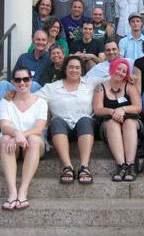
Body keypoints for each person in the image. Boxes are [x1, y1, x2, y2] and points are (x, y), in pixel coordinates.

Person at [36, 56, 102, 185]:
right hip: (60, 127)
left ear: (82, 70)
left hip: (84, 127)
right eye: (71, 67)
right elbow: (32, 98)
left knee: (85, 119)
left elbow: (112, 78)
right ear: (65, 69)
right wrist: (14, 94)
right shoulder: (52, 87)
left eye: (77, 67)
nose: (74, 70)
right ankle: (68, 167)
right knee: (56, 121)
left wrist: (129, 76)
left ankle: (84, 167)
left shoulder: (90, 82)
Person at [0, 66, 48, 210]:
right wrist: (16, 134)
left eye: (26, 79)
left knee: (33, 139)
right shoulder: (6, 101)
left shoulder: (41, 102)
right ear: (13, 82)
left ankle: (23, 191)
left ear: (31, 81)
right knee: (6, 138)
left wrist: (20, 135)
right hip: (10, 145)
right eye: (18, 80)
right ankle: (12, 192)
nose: (22, 83)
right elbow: (4, 127)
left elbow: (39, 129)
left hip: (32, 145)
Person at [93, 58, 142, 182]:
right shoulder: (100, 87)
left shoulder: (129, 86)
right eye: (118, 69)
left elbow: (138, 107)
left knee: (129, 123)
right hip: (108, 122)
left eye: (124, 71)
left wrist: (122, 109)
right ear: (112, 68)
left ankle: (130, 165)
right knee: (112, 123)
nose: (120, 72)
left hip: (131, 120)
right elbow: (97, 109)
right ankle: (121, 165)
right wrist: (112, 112)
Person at [0, 30, 50, 134]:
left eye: (43, 40)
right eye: (38, 39)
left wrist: (17, 90)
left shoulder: (50, 58)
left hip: (37, 90)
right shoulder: (24, 57)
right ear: (33, 40)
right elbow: (13, 77)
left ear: (47, 42)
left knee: (34, 84)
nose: (40, 42)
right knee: (2, 84)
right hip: (20, 86)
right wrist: (14, 88)